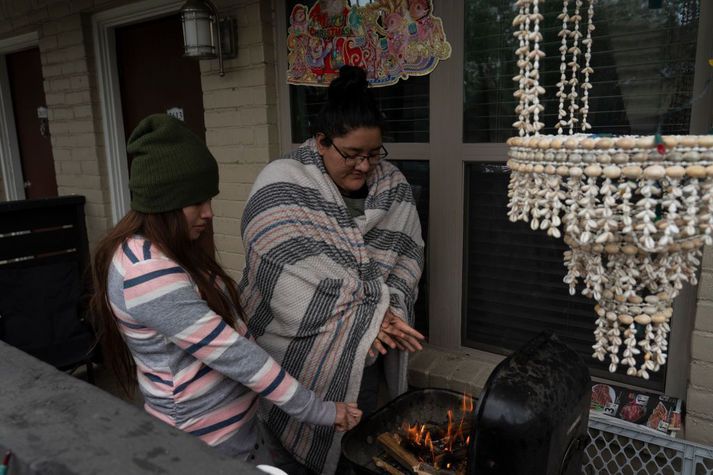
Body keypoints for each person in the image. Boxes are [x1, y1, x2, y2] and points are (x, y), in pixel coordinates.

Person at [89, 114, 361, 464]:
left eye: (210, 200)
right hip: (204, 443)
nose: (209, 213)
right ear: (165, 203)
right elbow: (235, 355)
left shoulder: (164, 251)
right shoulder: (148, 272)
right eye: (197, 202)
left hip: (231, 432)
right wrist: (320, 411)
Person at [239, 65, 425, 474]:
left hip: (367, 356)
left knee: (358, 446)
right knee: (292, 459)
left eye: (373, 154)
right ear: (322, 142)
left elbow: (406, 259)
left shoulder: (392, 185)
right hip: (293, 356)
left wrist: (384, 312)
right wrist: (368, 316)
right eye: (352, 154)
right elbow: (278, 263)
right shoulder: (282, 180)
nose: (364, 166)